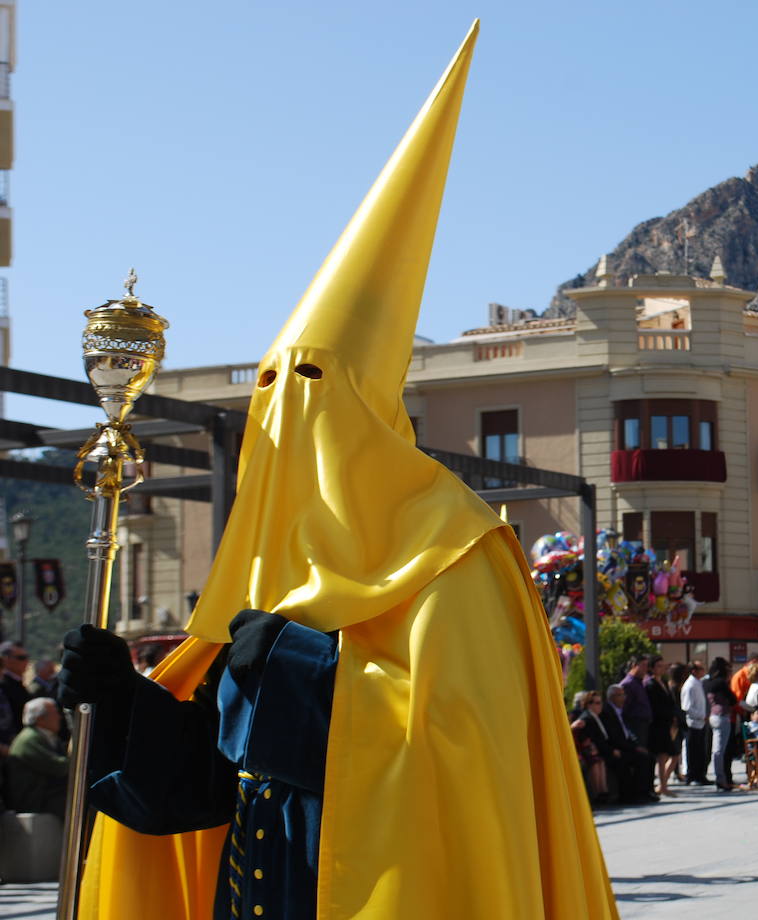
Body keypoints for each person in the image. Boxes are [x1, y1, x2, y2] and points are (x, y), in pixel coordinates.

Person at [57, 30, 617, 920]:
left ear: (370, 407)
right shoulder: (276, 567)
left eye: (311, 383)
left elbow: (457, 757)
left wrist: (283, 667)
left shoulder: (459, 550)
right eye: (274, 384)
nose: (287, 410)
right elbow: (211, 781)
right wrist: (126, 705)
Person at [4, 696, 68, 816]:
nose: (59, 717)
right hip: (35, 800)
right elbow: (60, 768)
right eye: (54, 714)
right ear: (40, 719)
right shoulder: (28, 740)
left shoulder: (49, 737)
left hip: (48, 795)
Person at [604, 684, 656, 803]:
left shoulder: (620, 710)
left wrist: (636, 745)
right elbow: (615, 736)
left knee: (649, 757)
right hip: (616, 748)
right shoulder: (608, 712)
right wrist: (634, 748)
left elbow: (626, 732)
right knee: (640, 758)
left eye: (624, 694)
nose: (624, 698)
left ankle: (647, 791)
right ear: (612, 697)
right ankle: (637, 793)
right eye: (621, 695)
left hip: (626, 746)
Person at [644, 655, 679, 797]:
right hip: (658, 724)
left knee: (670, 754)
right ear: (652, 668)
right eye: (658, 665)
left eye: (662, 665)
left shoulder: (663, 682)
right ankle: (662, 785)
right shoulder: (650, 684)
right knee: (662, 755)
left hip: (666, 723)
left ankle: (663, 784)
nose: (662, 668)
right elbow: (656, 705)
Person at [703, 658, 738, 791]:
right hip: (722, 716)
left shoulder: (706, 682)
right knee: (720, 750)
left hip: (711, 716)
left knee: (716, 749)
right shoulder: (721, 683)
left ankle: (720, 777)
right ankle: (721, 779)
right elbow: (733, 699)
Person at [680, 660, 709, 785]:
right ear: (694, 671)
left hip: (700, 723)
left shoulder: (698, 683)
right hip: (693, 723)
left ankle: (700, 775)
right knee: (693, 751)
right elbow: (687, 707)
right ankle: (692, 776)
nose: (704, 670)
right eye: (701, 668)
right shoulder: (690, 685)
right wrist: (702, 716)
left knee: (700, 751)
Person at [0, 640, 31, 745]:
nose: (26, 661)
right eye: (21, 658)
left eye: (27, 657)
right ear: (6, 659)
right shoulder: (4, 685)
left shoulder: (17, 683)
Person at [617, 655, 652, 746]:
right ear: (634, 665)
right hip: (635, 726)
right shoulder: (628, 684)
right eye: (643, 665)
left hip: (644, 726)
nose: (646, 668)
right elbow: (623, 708)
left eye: (647, 665)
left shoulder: (640, 682)